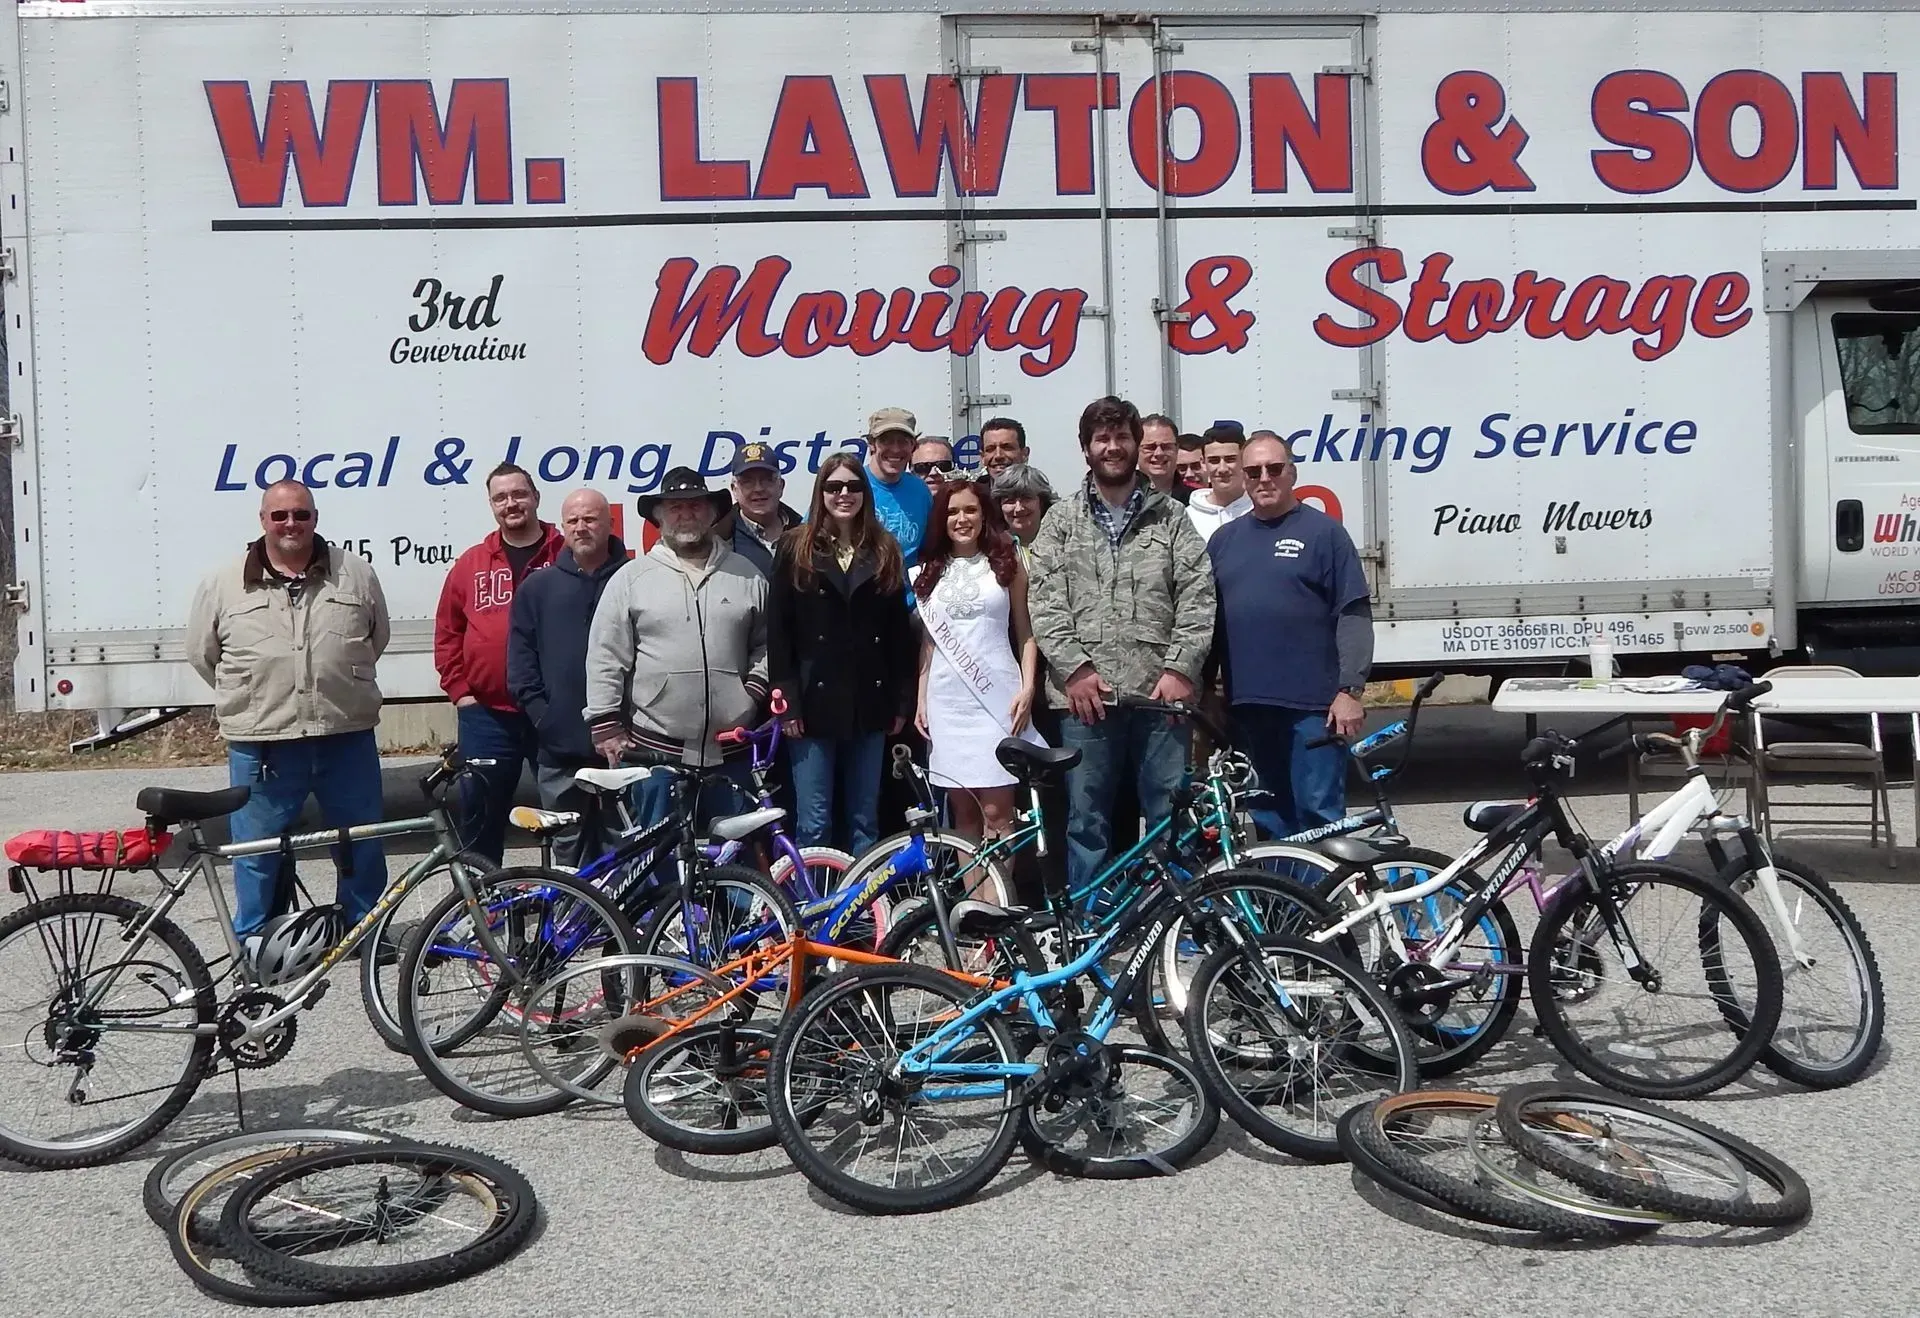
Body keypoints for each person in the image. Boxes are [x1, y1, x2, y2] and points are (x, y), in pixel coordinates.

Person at [185, 480, 391, 945]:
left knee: (361, 842)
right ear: (263, 521)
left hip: (345, 735)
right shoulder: (223, 582)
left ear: (315, 517)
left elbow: (375, 638)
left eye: (300, 514)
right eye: (279, 516)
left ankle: (365, 934)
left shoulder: (354, 574)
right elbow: (204, 654)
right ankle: (256, 943)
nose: (291, 524)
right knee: (256, 852)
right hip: (264, 744)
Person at [1027, 396, 1215, 888]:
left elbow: (1198, 597)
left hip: (1160, 699)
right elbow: (1045, 603)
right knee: (1087, 820)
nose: (1112, 448)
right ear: (1086, 449)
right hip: (1087, 701)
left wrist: (1180, 671)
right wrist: (1076, 671)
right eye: (1102, 439)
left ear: (1136, 445)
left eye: (1121, 438)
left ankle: (1174, 922)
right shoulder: (1061, 521)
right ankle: (1092, 922)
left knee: (1168, 814)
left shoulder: (1172, 519)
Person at [584, 468, 770, 829]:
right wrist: (606, 726)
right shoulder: (632, 578)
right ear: (659, 516)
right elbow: (606, 656)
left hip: (732, 753)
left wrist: (751, 692)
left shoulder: (747, 574)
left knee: (735, 863)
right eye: (675, 507)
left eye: (695, 505)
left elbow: (768, 644)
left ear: (712, 512)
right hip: (657, 755)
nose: (686, 514)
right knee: (663, 868)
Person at [1209, 433, 1374, 838]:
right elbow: (1207, 622)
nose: (1264, 478)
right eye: (1254, 471)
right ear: (1244, 479)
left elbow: (1352, 614)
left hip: (1314, 709)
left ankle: (1325, 900)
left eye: (1274, 468)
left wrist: (1349, 691)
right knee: (1266, 816)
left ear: (1292, 472)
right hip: (1247, 707)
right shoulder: (1223, 542)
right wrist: (1206, 691)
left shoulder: (1325, 534)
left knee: (1319, 816)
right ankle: (1281, 901)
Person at [767, 455, 919, 853]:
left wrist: (901, 701)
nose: (844, 495)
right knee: (814, 820)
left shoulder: (884, 548)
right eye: (834, 487)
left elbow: (898, 635)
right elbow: (778, 632)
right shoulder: (794, 546)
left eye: (853, 486)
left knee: (863, 818)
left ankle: (865, 910)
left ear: (864, 494)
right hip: (812, 704)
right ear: (821, 494)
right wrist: (788, 705)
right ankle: (810, 907)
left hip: (870, 702)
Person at [434, 462, 563, 862]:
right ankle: (483, 909)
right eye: (501, 497)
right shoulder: (472, 564)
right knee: (479, 817)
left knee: (567, 815)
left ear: (536, 498)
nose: (511, 503)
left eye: (519, 494)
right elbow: (448, 632)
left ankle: (577, 908)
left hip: (553, 711)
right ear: (491, 505)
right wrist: (461, 692)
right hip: (487, 716)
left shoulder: (566, 556)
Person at [914, 479, 1043, 844]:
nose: (962, 518)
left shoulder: (1007, 563)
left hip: (998, 697)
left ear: (984, 515)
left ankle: (997, 902)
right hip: (947, 702)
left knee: (997, 813)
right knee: (964, 815)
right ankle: (970, 903)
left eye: (970, 510)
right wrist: (922, 698)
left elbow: (1026, 632)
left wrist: (1028, 687)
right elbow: (929, 641)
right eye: (953, 511)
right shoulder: (930, 569)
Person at [507, 488, 628, 868]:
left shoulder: (635, 580)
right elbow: (521, 665)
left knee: (623, 847)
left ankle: (620, 926)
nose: (581, 527)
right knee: (567, 851)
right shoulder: (538, 589)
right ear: (562, 527)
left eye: (590, 519)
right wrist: (546, 718)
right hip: (559, 751)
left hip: (624, 746)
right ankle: (569, 924)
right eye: (573, 520)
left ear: (610, 523)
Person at [863, 407, 934, 566]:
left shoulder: (920, 490)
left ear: (913, 446)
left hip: (909, 590)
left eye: (903, 441)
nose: (895, 449)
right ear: (872, 444)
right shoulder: (852, 485)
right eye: (886, 440)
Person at [725, 440, 803, 579]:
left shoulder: (805, 532)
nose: (758, 488)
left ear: (781, 486)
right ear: (734, 490)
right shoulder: (722, 539)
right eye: (747, 481)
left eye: (767, 480)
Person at [1187, 423, 1254, 544]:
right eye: (1214, 461)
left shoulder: (1260, 510)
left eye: (1230, 459)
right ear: (1203, 463)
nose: (1222, 468)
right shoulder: (1187, 518)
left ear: (1244, 460)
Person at [993, 463, 1055, 555]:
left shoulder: (1060, 541)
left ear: (1042, 502)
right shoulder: (993, 548)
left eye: (1026, 498)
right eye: (1010, 500)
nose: (1018, 508)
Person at [1140, 413, 1190, 505]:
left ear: (1176, 449)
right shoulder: (1121, 499)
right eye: (1150, 447)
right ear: (1136, 450)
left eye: (1166, 446)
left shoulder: (1194, 501)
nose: (1159, 453)